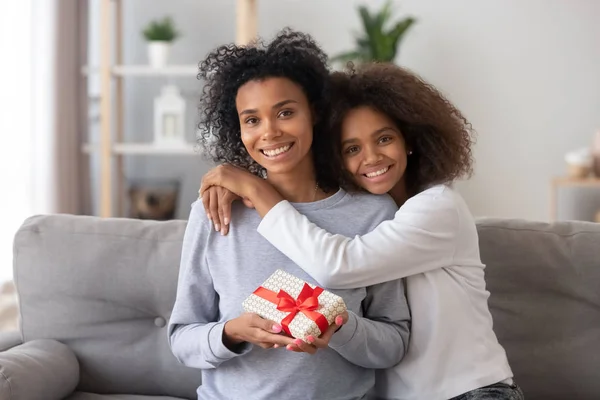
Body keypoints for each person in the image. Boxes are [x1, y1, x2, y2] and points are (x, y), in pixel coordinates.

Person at [199, 63, 525, 400]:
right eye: (352, 149)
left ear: (409, 140)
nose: (371, 158)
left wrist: (258, 190)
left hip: (471, 392)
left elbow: (338, 265)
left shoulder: (439, 208)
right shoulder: (378, 214)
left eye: (384, 138)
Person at [168, 30, 411, 400]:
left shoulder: (372, 214)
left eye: (285, 112)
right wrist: (231, 333)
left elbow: (394, 342)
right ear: (239, 128)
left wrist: (339, 327)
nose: (270, 132)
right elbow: (182, 338)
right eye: (252, 120)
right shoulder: (214, 213)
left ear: (313, 112)